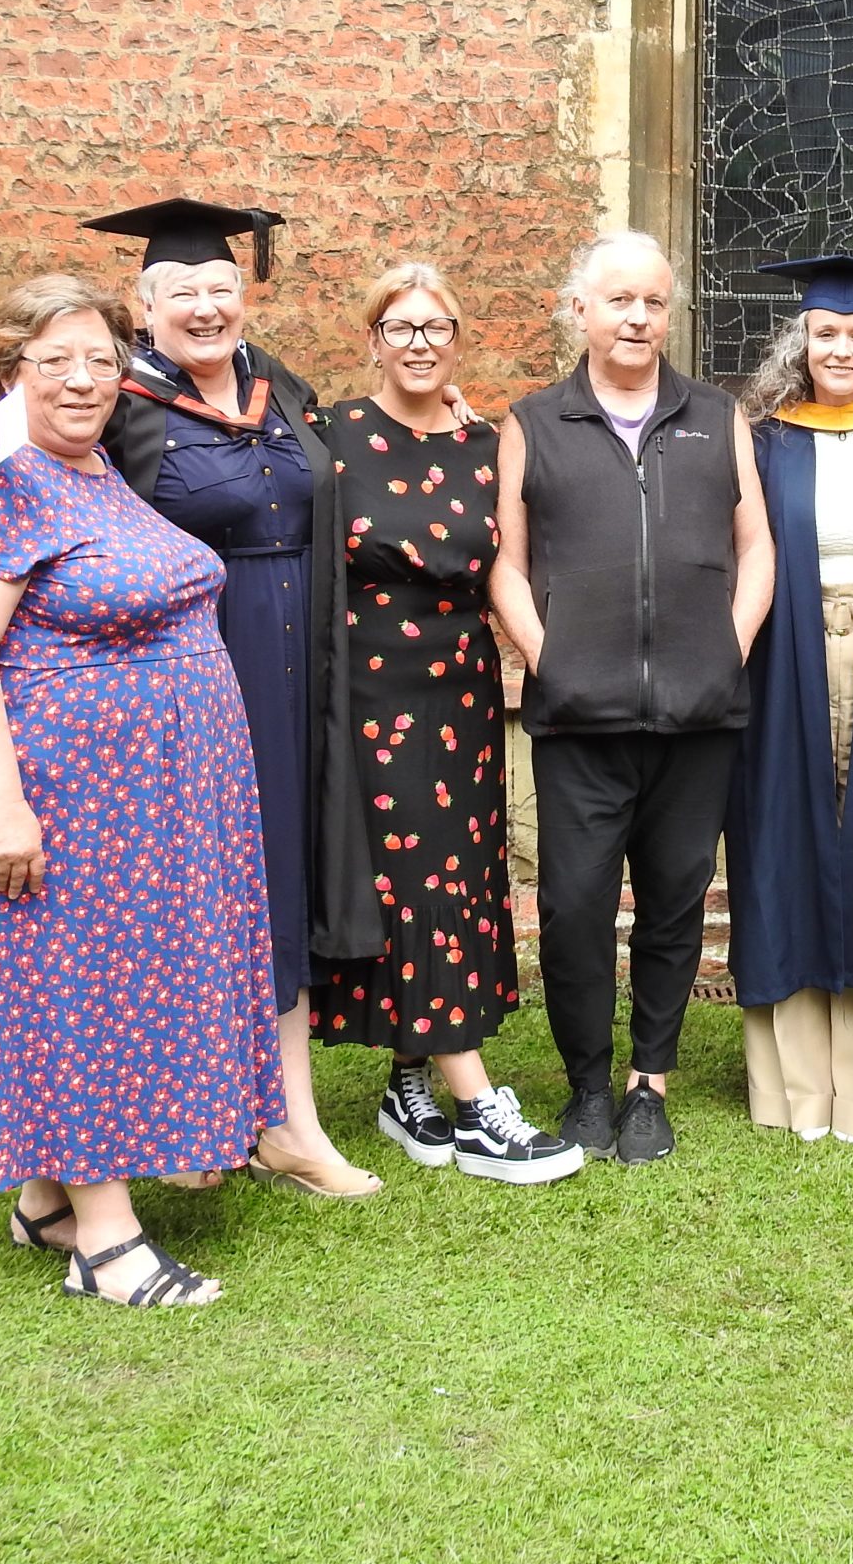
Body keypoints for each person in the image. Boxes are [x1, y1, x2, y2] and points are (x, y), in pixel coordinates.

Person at [0, 197, 446, 1197]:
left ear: (246, 296)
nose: (206, 307)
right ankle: (205, 1121)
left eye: (221, 288)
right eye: (182, 292)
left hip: (296, 673)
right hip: (180, 673)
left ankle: (280, 1119)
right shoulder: (120, 404)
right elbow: (20, 481)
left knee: (274, 886)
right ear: (142, 310)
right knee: (179, 902)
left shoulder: (278, 388)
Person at [0, 275, 282, 1308]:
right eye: (53, 360)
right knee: (75, 1000)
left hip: (139, 804)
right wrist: (2, 808)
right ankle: (105, 1244)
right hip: (55, 796)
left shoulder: (96, 471)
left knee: (91, 990)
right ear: (11, 371)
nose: (81, 379)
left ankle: (44, 1200)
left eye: (101, 360)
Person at [491, 231, 775, 1165]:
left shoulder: (716, 415)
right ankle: (586, 1084)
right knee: (574, 905)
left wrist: (723, 654)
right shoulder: (533, 422)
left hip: (698, 718)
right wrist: (548, 659)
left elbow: (756, 549)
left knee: (674, 901)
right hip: (579, 718)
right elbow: (507, 566)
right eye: (619, 301)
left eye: (654, 303)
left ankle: (650, 1083)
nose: (638, 319)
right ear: (581, 311)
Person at [308, 262, 583, 1184]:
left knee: (456, 873)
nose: (420, 343)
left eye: (437, 327)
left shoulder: (484, 442)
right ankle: (476, 1106)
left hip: (460, 686)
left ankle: (406, 1080)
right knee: (406, 870)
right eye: (401, 327)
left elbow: (526, 551)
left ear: (457, 340)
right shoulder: (331, 436)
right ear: (372, 340)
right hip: (370, 693)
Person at [724, 255, 853, 1142]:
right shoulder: (760, 440)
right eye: (826, 332)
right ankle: (791, 1089)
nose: (840, 347)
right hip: (783, 667)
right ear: (799, 341)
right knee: (786, 846)